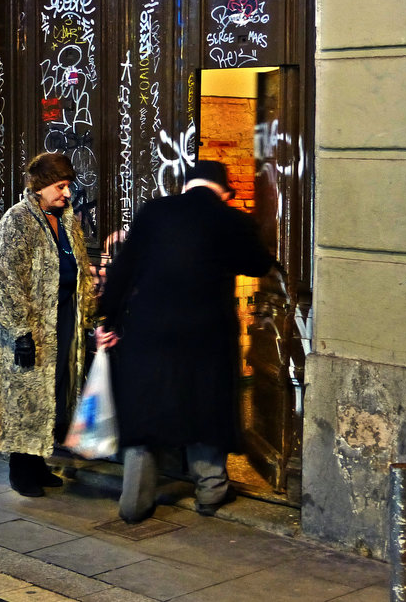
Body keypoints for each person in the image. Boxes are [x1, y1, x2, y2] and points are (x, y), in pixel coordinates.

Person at [96, 160, 274, 523]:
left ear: (187, 183)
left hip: (150, 331)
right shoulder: (230, 219)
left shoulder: (154, 212)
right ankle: (210, 491)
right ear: (222, 189)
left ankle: (135, 501)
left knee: (146, 409)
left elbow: (123, 269)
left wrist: (107, 320)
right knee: (206, 406)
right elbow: (258, 264)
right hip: (206, 333)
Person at [0, 152, 96, 497]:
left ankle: (40, 460)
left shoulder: (67, 220)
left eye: (68, 186)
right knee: (24, 396)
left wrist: (88, 311)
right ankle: (21, 468)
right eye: (60, 186)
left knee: (50, 394)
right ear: (40, 187)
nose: (67, 193)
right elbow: (3, 278)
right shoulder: (18, 221)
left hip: (61, 320)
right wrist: (20, 331)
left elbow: (80, 271)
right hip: (29, 326)